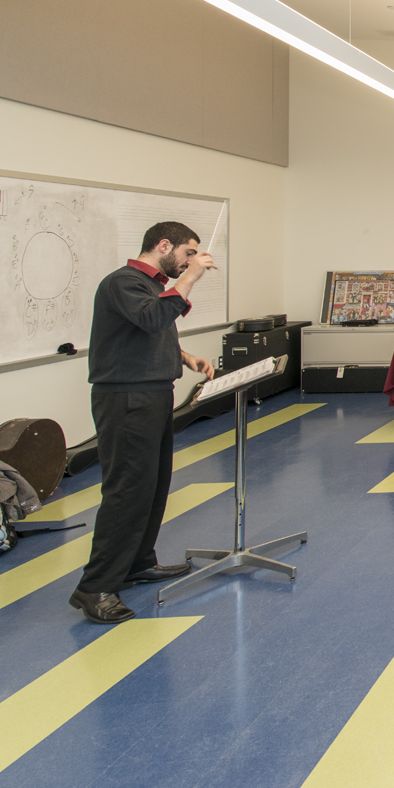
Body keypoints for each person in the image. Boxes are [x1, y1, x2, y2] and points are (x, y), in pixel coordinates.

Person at [71, 221, 217, 624]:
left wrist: (183, 356)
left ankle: (136, 563)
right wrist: (191, 276)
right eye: (188, 253)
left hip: (152, 394)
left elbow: (150, 328)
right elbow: (153, 318)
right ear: (164, 245)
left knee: (153, 487)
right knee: (126, 492)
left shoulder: (151, 284)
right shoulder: (123, 282)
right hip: (126, 399)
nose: (192, 261)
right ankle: (94, 587)